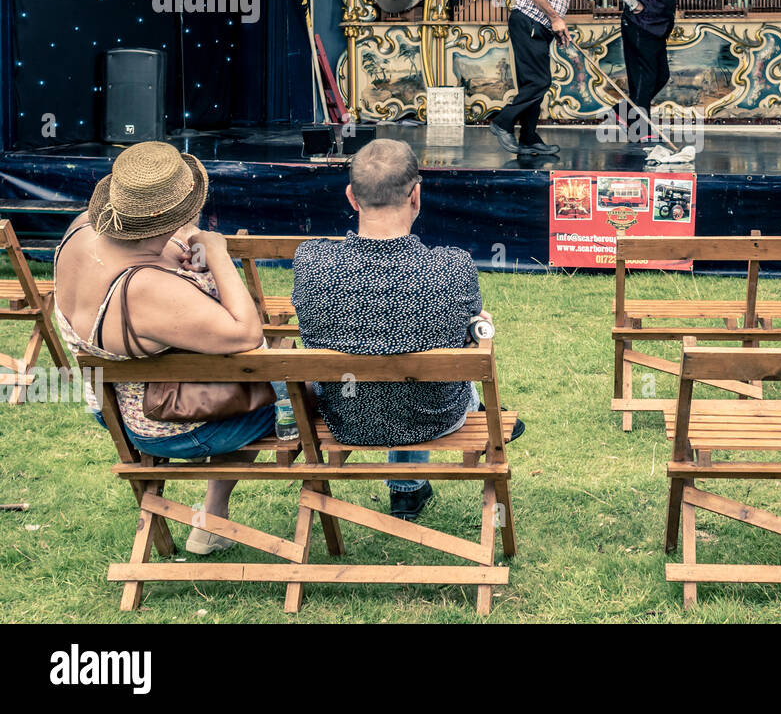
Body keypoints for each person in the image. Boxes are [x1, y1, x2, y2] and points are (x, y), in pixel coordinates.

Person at [52, 141, 271, 556]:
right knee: (282, 396)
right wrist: (218, 253)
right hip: (168, 427)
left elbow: (150, 250)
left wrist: (182, 246)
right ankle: (214, 515)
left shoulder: (82, 229)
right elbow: (247, 336)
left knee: (256, 381)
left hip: (112, 407)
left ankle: (213, 522)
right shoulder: (147, 289)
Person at [292, 138, 524, 522]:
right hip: (436, 415)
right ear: (416, 196)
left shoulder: (311, 263)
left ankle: (407, 488)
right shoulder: (454, 267)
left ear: (352, 197)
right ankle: (413, 480)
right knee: (459, 350)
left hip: (345, 418)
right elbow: (470, 336)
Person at [487, 0, 592, 157]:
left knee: (532, 83)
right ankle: (502, 122)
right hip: (529, 22)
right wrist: (555, 18)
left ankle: (528, 137)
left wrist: (556, 26)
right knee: (539, 82)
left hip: (539, 26)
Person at [609, 0, 684, 142]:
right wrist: (633, 4)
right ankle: (641, 130)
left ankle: (623, 111)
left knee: (661, 76)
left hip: (655, 31)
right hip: (641, 28)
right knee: (645, 77)